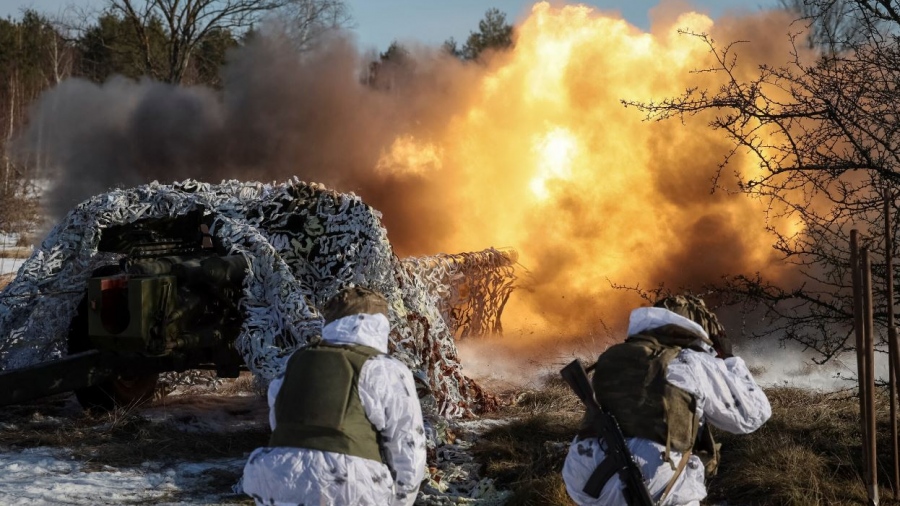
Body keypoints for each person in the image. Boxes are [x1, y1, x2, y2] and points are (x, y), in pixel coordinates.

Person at [562, 294, 771, 506]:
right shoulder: (691, 362)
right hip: (648, 480)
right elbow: (752, 416)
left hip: (581, 476)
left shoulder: (613, 355)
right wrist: (729, 359)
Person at [241, 286, 426, 506]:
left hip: (278, 478)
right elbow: (408, 445)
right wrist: (401, 502)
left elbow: (280, 422)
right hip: (351, 485)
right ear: (380, 325)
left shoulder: (296, 361)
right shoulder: (384, 369)